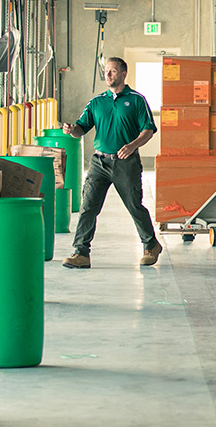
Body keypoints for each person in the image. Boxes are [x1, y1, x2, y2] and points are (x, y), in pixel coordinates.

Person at [61, 57, 163, 269]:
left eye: (113, 71)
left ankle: (151, 245)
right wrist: (72, 130)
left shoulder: (136, 100)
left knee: (134, 205)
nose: (108, 75)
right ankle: (81, 252)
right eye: (107, 71)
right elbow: (82, 128)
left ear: (124, 74)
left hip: (126, 163)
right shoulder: (97, 102)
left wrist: (133, 145)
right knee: (88, 206)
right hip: (99, 162)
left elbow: (149, 129)